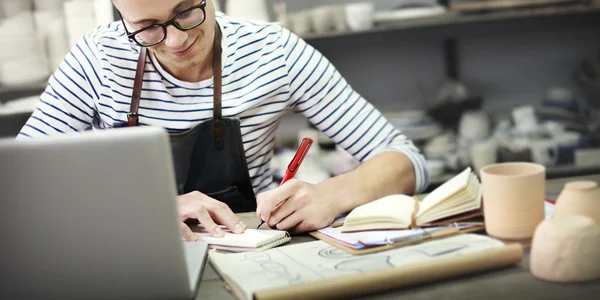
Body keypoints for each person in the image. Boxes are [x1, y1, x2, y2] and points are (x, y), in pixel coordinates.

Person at [18, 0, 429, 240]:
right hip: (131, 252)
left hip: (255, 247)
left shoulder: (275, 52)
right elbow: (21, 186)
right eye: (147, 29)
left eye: (186, 12)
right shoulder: (98, 59)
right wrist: (152, 210)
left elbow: (407, 159)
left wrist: (333, 194)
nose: (176, 40)